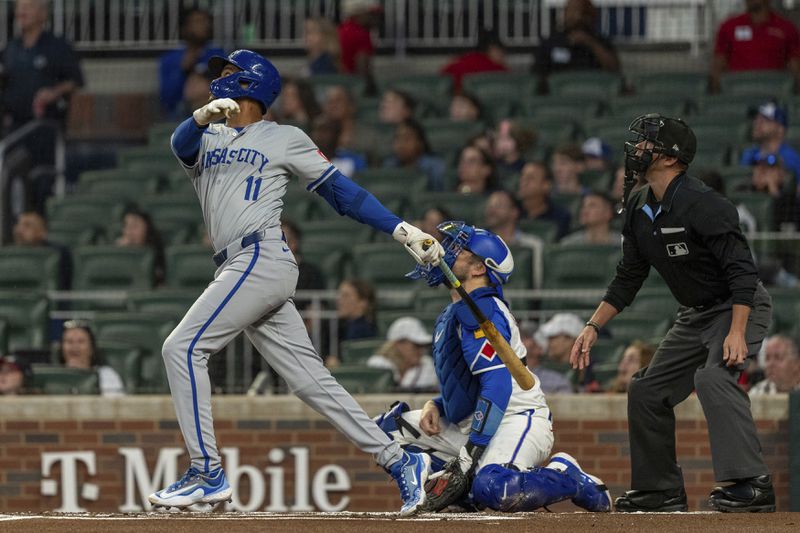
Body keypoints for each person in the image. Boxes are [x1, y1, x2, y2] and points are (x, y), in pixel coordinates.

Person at [149, 49, 446, 515]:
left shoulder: (284, 137)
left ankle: (206, 472)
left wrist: (398, 227)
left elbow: (341, 193)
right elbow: (180, 145)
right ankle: (400, 460)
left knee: (181, 348)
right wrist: (201, 117)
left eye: (227, 72)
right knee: (311, 383)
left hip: (259, 255)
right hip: (236, 265)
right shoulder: (207, 136)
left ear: (251, 83)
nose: (217, 80)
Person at [569, 113, 776, 513]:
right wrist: (593, 326)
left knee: (713, 375)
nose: (637, 149)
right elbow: (629, 276)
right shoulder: (636, 203)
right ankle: (660, 491)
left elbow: (742, 272)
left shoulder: (705, 203)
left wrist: (736, 332)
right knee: (646, 389)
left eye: (646, 143)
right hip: (694, 313)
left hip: (738, 303)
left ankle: (753, 485)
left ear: (670, 157)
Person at [374, 221, 611, 513]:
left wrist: (469, 455)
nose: (445, 252)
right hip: (478, 419)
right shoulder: (454, 311)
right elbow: (470, 380)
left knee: (496, 488)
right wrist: (437, 404)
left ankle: (568, 477)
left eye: (458, 250)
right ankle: (467, 497)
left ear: (478, 269)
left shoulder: (484, 311)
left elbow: (497, 385)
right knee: (383, 431)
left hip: (516, 416)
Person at [1, 0, 84, 132]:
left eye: (28, 7)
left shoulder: (58, 46)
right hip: (13, 129)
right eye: (19, 7)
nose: (22, 12)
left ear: (43, 13)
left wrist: (53, 92)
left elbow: (75, 81)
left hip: (45, 126)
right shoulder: (11, 48)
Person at [710, 0, 800, 94]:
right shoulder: (728, 27)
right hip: (738, 96)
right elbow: (718, 65)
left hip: (773, 96)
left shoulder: (787, 29)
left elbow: (795, 68)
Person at [533, 0, 619, 92]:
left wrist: (590, 43)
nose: (572, 16)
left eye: (577, 11)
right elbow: (537, 74)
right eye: (569, 11)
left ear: (589, 16)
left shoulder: (600, 41)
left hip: (593, 93)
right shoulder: (551, 42)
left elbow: (614, 69)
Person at [158, 8, 224, 119]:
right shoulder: (170, 59)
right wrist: (183, 70)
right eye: (198, 21)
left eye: (206, 21)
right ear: (185, 28)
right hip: (181, 115)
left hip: (214, 112)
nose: (204, 25)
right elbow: (167, 98)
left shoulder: (218, 55)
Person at [366, 317, 438, 392]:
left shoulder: (427, 365)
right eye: (416, 345)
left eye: (423, 346)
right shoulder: (378, 364)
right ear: (399, 344)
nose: (421, 350)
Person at [739, 101, 800, 185]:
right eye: (757, 118)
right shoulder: (749, 154)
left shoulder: (791, 158)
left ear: (780, 129)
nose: (757, 122)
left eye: (765, 119)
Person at [59, 320, 125, 396]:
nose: (75, 347)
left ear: (91, 348)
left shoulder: (106, 375)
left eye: (81, 341)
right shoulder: (54, 376)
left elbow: (116, 405)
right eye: (69, 342)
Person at [738, 152, 799, 231]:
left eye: (768, 168)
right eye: (758, 167)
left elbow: (786, 226)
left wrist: (773, 189)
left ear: (781, 174)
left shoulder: (790, 198)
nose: (761, 171)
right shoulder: (742, 189)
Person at [12, 210, 71, 289]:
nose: (19, 230)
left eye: (27, 225)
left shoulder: (59, 253)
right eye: (19, 225)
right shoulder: (10, 257)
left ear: (42, 232)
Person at [383, 118, 445, 191]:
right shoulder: (389, 165)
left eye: (407, 139)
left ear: (420, 143)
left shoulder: (434, 167)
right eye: (397, 138)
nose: (401, 144)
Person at [517, 161, 572, 240]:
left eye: (530, 178)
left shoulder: (560, 217)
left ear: (546, 185)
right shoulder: (511, 213)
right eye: (522, 176)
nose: (523, 182)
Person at [440, 30, 509, 93]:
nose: (503, 57)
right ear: (493, 49)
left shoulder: (464, 59)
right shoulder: (496, 68)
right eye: (501, 52)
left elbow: (443, 74)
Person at [337, 0, 382, 94]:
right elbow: (362, 70)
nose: (376, 18)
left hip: (338, 83)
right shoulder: (362, 35)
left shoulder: (339, 30)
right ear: (358, 14)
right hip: (352, 87)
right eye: (371, 14)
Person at [115, 207, 166, 287]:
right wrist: (120, 253)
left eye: (134, 226)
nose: (129, 231)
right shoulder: (117, 252)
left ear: (147, 228)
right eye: (126, 226)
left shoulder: (158, 253)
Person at [520, 322, 572, 395]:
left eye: (525, 338)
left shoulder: (557, 382)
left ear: (539, 349)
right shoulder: (502, 376)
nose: (519, 341)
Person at [335, 278, 378, 358]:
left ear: (363, 302)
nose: (339, 300)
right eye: (340, 295)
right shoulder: (344, 326)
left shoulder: (362, 330)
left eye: (346, 296)